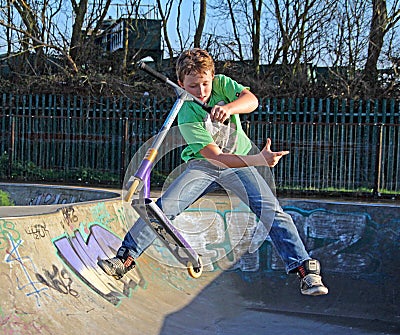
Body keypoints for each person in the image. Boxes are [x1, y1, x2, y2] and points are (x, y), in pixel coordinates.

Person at [98, 48, 328, 296]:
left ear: (212, 78)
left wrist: (230, 108)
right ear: (181, 84)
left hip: (239, 164)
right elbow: (216, 158)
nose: (202, 92)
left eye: (205, 84)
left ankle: (305, 269)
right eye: (194, 86)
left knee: (272, 211)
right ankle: (125, 259)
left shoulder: (222, 85)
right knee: (163, 210)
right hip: (205, 166)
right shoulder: (187, 113)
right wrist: (259, 159)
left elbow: (253, 101)